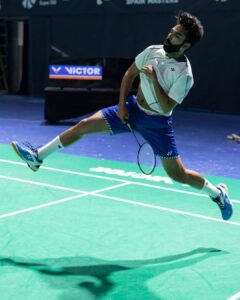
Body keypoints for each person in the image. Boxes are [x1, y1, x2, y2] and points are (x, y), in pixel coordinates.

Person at [12, 11, 233, 220]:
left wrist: (154, 79)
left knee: (178, 175)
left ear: (185, 45)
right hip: (132, 109)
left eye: (177, 35)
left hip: (157, 124)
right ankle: (38, 157)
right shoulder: (152, 50)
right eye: (172, 30)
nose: (170, 35)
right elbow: (130, 73)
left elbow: (165, 108)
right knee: (85, 125)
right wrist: (121, 106)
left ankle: (217, 193)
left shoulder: (185, 76)